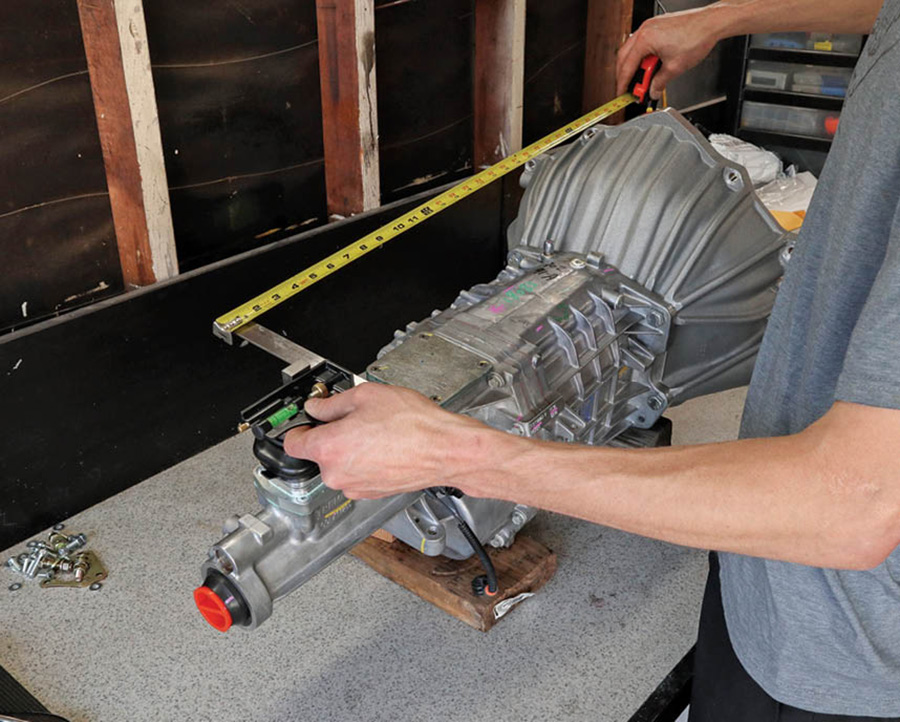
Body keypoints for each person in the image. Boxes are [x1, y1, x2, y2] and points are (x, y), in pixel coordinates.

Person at [286, 0, 900, 718]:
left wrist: (460, 453)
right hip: (765, 570)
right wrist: (721, 19)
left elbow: (856, 507)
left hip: (845, 653)